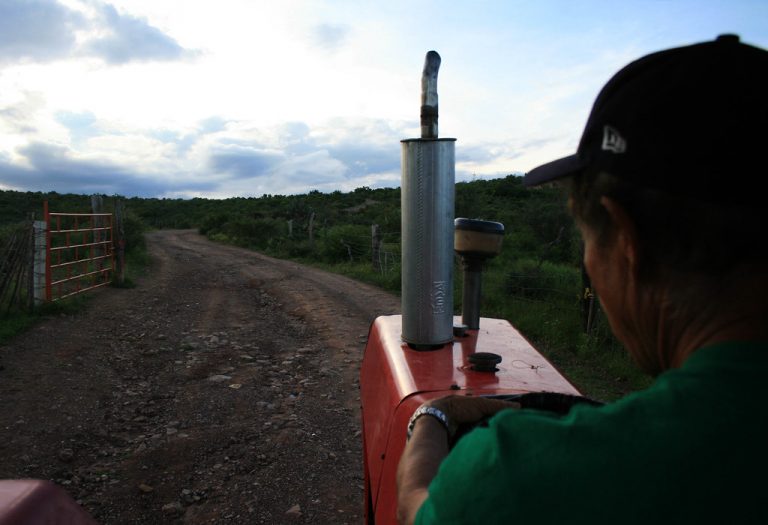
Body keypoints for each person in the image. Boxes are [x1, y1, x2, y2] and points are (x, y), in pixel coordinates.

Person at [396, 34, 768, 525]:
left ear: (628, 242)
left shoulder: (516, 477)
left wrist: (432, 417)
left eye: (589, 238)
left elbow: (415, 507)